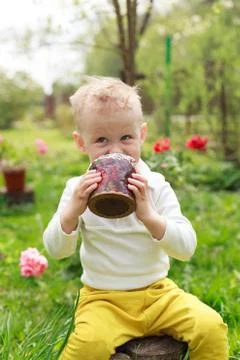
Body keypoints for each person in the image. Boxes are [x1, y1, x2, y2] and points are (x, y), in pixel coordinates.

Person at [43, 76, 228, 360]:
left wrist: (150, 217)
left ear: (142, 134)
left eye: (126, 138)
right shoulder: (76, 190)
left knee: (211, 327)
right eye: (102, 140)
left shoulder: (155, 185)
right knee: (86, 348)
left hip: (158, 293)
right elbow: (56, 250)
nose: (115, 150)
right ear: (81, 143)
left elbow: (187, 248)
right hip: (102, 299)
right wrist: (72, 212)